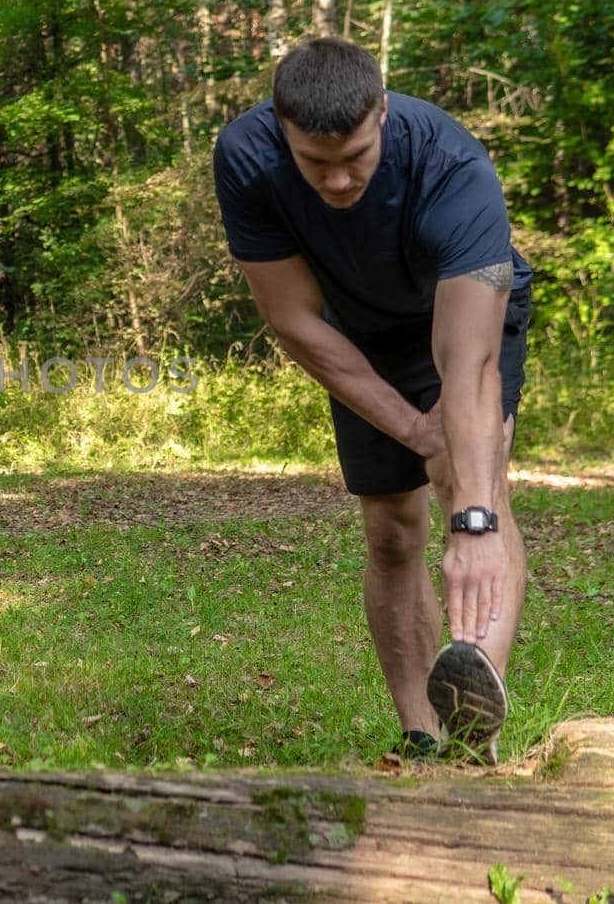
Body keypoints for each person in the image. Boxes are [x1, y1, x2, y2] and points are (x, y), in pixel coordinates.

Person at [213, 37, 533, 763]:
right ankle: (424, 736)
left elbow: (471, 363)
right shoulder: (246, 157)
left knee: (468, 483)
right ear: (280, 128)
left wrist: (473, 516)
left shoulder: (453, 169)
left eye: (354, 156)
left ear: (383, 112)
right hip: (358, 331)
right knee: (391, 530)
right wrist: (411, 429)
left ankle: (473, 728)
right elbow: (292, 319)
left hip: (464, 320)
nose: (335, 180)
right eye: (314, 162)